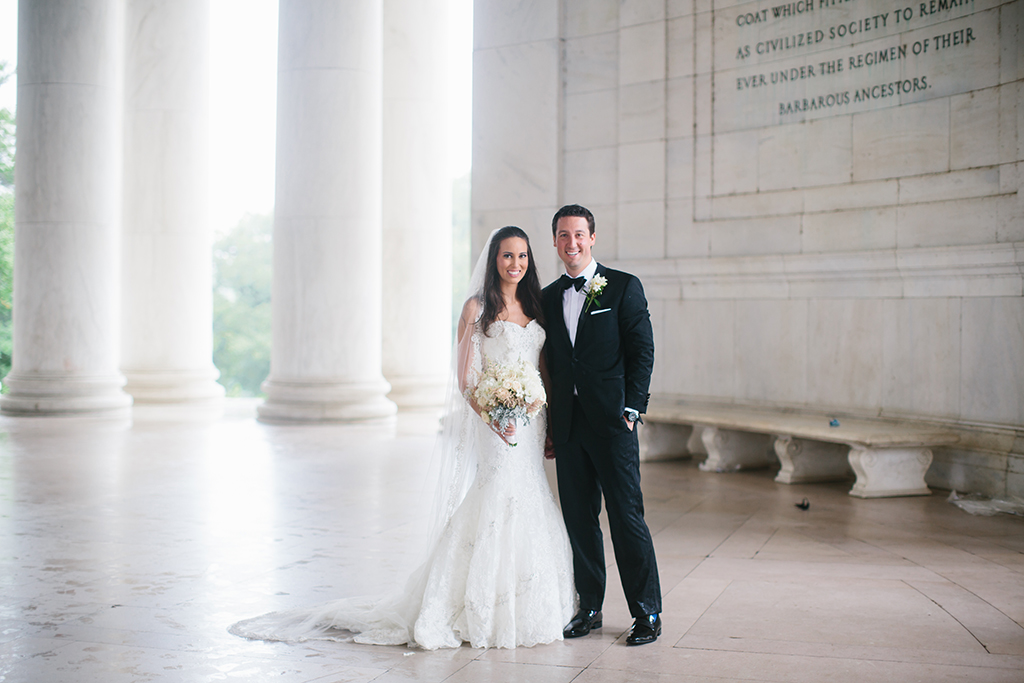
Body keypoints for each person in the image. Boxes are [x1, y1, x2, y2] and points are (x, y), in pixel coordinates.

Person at [230, 226, 575, 649]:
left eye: (522, 256)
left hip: (530, 419)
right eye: (507, 256)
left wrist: (547, 421)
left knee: (530, 494)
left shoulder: (535, 305)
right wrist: (493, 415)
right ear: (493, 260)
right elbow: (466, 378)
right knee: (497, 493)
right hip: (494, 422)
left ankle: (526, 601)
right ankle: (473, 604)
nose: (515, 264)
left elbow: (542, 372)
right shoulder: (476, 308)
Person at [541, 204, 662, 646]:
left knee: (627, 517)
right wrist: (552, 423)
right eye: (562, 235)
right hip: (570, 427)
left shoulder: (623, 288)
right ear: (554, 242)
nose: (571, 243)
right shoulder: (550, 297)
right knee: (579, 518)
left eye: (578, 234)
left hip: (613, 424)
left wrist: (632, 410)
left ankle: (647, 612)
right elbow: (553, 361)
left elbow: (642, 351)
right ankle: (589, 606)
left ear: (592, 238)